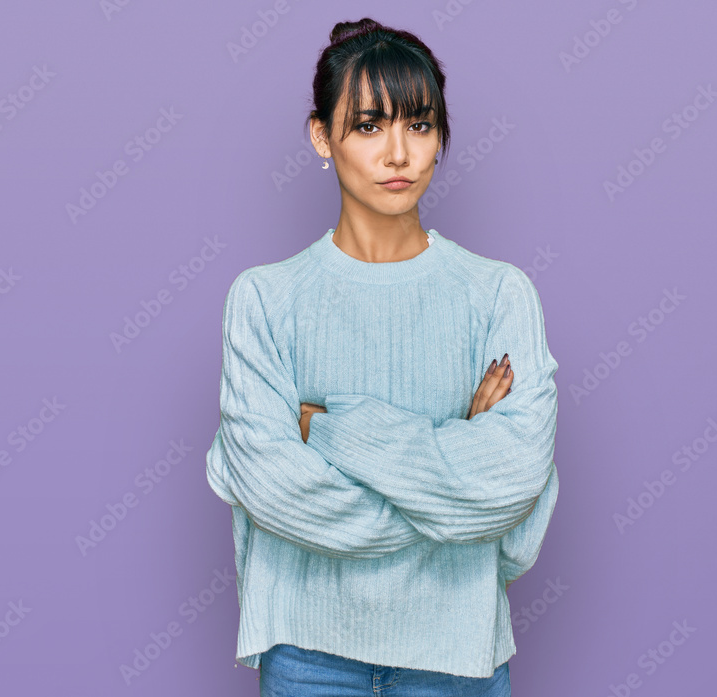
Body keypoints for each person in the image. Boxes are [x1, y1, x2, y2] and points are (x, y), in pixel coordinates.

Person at [205, 17, 560, 697]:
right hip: (309, 654)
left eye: (419, 125)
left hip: (457, 655)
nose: (398, 152)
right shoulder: (264, 300)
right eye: (368, 126)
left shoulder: (498, 294)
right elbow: (279, 492)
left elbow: (514, 483)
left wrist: (326, 428)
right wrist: (455, 453)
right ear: (321, 136)